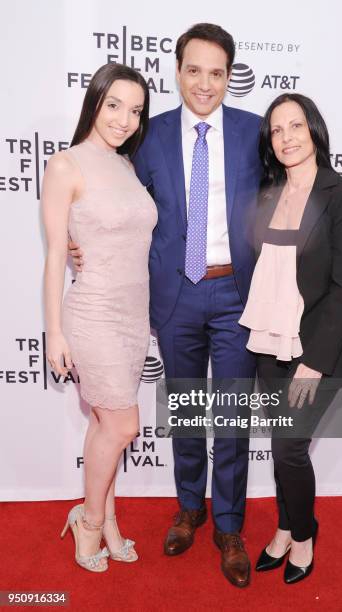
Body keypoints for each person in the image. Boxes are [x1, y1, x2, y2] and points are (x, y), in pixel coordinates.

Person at [71, 23, 262, 587]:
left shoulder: (255, 133)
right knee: (184, 413)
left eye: (217, 72)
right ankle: (189, 509)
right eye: (194, 70)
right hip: (173, 295)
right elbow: (105, 189)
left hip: (235, 296)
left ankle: (228, 524)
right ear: (177, 71)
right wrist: (78, 237)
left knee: (229, 417)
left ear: (229, 76)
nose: (205, 83)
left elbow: (295, 191)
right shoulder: (145, 136)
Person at [239, 93, 342, 583]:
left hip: (316, 349)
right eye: (277, 130)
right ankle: (285, 527)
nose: (287, 137)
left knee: (290, 448)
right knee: (280, 447)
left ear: (314, 130)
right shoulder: (266, 195)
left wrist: (314, 361)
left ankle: (304, 534)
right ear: (269, 142)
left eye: (296, 126)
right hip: (269, 342)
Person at [42, 63, 157, 572]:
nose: (124, 118)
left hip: (135, 318)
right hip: (92, 313)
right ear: (94, 102)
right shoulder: (66, 165)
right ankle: (88, 521)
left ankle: (107, 519)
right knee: (124, 426)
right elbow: (53, 255)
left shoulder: (127, 167)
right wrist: (54, 332)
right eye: (114, 105)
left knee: (106, 425)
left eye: (135, 110)